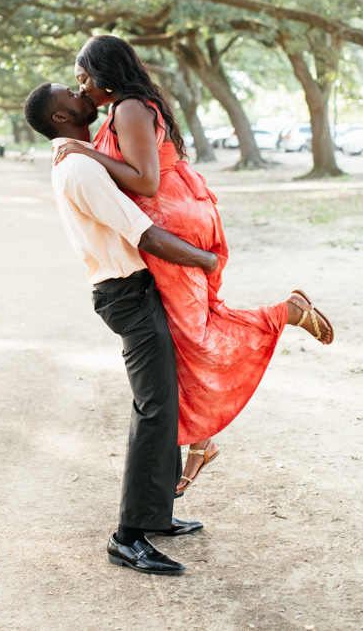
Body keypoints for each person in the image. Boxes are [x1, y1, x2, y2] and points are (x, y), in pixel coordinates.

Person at [54, 35, 334, 495]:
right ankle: (202, 442)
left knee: (196, 335)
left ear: (107, 73)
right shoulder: (127, 107)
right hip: (181, 216)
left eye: (84, 75)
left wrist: (85, 151)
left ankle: (288, 312)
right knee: (187, 335)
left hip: (174, 227)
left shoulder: (127, 108)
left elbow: (145, 182)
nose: (80, 84)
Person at [24, 82, 222, 575]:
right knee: (154, 409)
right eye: (69, 92)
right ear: (62, 118)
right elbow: (146, 233)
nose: (79, 90)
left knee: (164, 403)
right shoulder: (79, 168)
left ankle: (157, 517)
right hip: (127, 294)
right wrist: (206, 259)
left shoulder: (85, 156)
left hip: (133, 290)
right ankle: (127, 537)